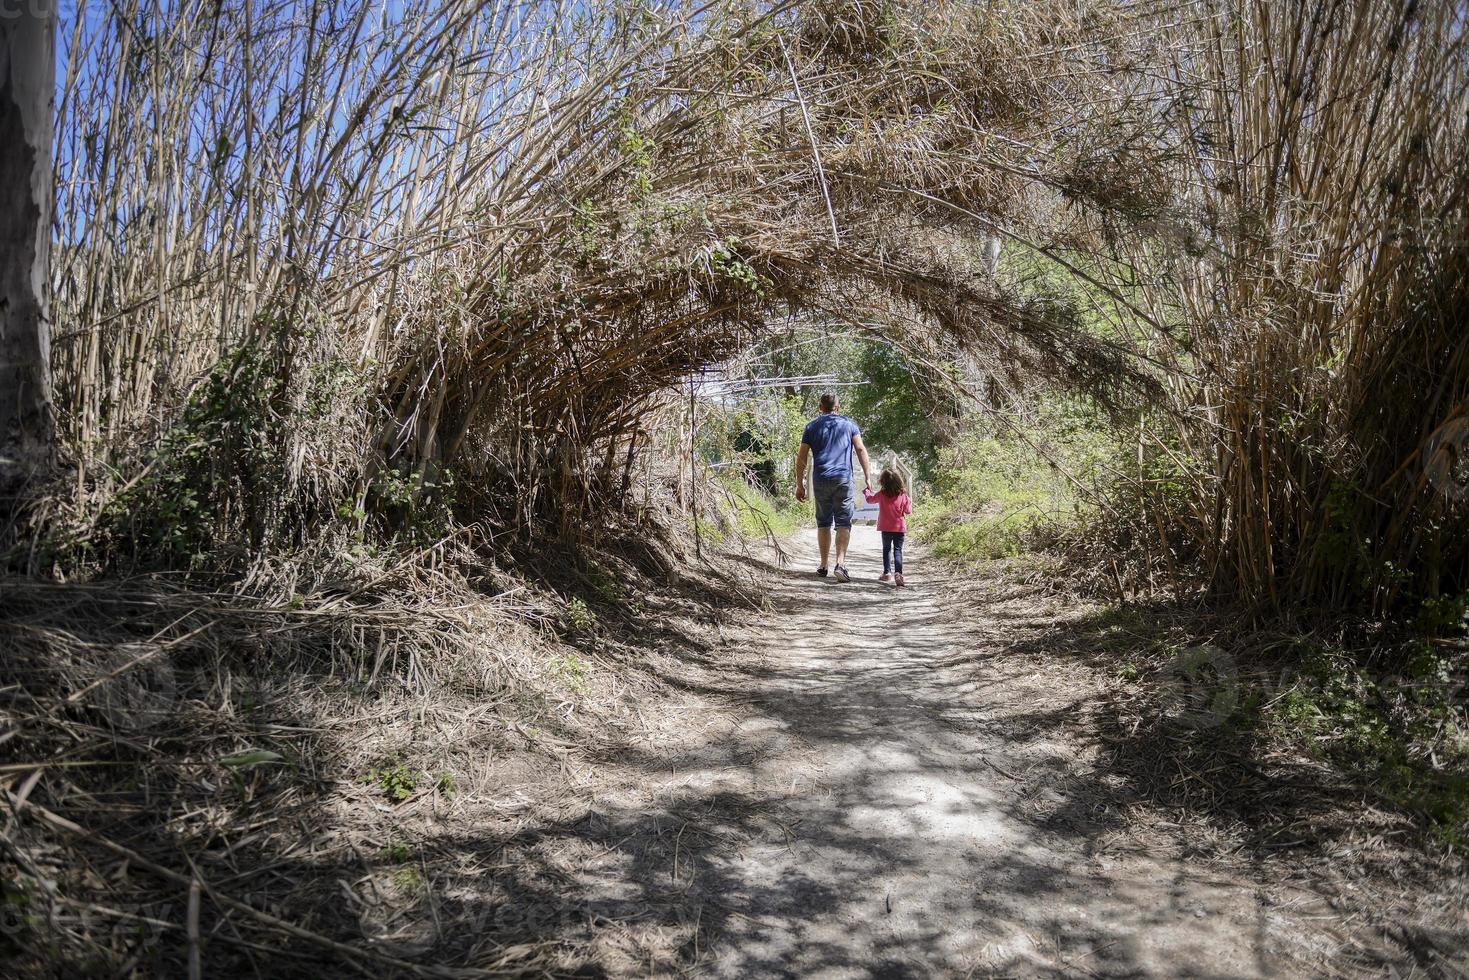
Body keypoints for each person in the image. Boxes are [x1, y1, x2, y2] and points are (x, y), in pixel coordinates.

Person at [794, 392, 872, 582]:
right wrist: (868, 477)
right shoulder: (849, 424)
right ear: (838, 407)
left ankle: (823, 565)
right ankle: (840, 564)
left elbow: (802, 457)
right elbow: (860, 449)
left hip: (820, 479)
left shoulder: (811, 426)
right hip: (843, 479)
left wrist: (799, 484)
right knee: (843, 522)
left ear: (820, 407)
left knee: (823, 522)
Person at [864, 467, 912, 586]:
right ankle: (898, 573)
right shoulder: (903, 495)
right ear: (898, 481)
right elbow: (908, 511)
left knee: (886, 550)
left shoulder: (881, 494)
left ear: (883, 481)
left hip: (885, 527)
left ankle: (887, 573)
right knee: (898, 550)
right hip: (899, 528)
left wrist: (867, 492)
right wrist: (908, 502)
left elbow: (870, 500)